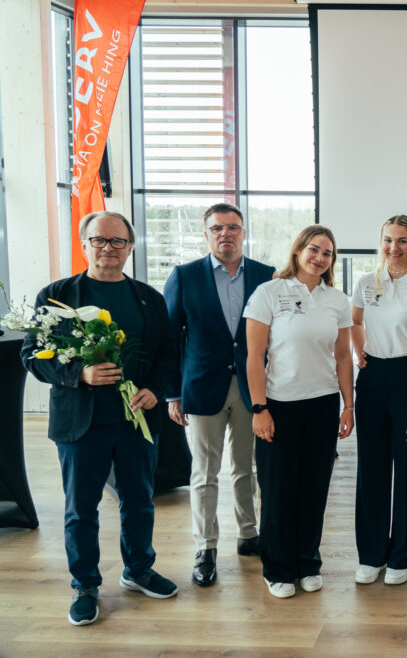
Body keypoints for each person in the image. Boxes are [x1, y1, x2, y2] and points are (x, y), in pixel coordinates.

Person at [21, 211, 178, 626]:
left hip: (136, 420)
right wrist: (80, 374)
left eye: (117, 241)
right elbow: (31, 356)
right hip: (80, 424)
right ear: (84, 244)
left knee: (139, 502)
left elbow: (168, 352)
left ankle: (138, 570)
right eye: (99, 240)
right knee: (81, 510)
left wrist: (155, 390)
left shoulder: (149, 298)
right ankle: (85, 584)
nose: (108, 248)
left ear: (130, 247)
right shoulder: (56, 296)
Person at [164, 203, 275, 587]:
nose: (225, 233)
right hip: (201, 387)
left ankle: (248, 533)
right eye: (217, 228)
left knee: (247, 467)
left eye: (233, 227)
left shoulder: (265, 275)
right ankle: (206, 547)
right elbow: (170, 340)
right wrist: (172, 394)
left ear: (243, 232)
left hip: (251, 388)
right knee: (204, 472)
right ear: (206, 233)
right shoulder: (184, 276)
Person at [243, 224, 354, 599]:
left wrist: (348, 405)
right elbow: (254, 357)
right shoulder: (269, 292)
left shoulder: (336, 299)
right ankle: (277, 568)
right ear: (298, 250)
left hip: (323, 404)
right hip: (279, 405)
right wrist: (259, 408)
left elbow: (343, 357)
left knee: (314, 488)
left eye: (327, 253)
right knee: (278, 489)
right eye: (314, 249)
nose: (320, 257)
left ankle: (308, 562)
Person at [351, 214, 407, 586]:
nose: (394, 247)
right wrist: (360, 352)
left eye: (402, 240)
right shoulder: (365, 282)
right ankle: (371, 554)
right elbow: (355, 322)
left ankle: (403, 555)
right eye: (388, 240)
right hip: (371, 378)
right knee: (371, 470)